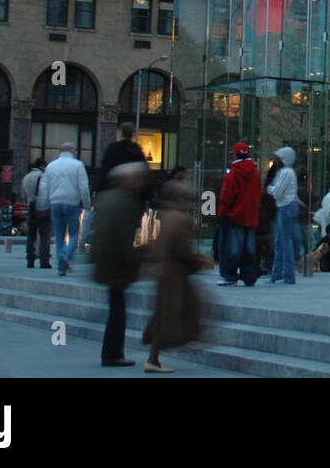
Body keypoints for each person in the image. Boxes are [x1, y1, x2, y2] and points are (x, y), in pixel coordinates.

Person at [143, 179, 212, 373]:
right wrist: (199, 260)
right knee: (179, 310)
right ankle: (172, 346)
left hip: (165, 270)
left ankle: (155, 355)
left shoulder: (164, 215)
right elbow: (182, 248)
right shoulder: (181, 219)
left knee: (166, 311)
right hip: (174, 272)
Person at [93, 162, 149, 367]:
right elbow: (119, 237)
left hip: (109, 263)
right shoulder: (123, 202)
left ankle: (112, 352)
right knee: (117, 311)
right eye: (137, 178)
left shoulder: (107, 198)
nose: (140, 182)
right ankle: (112, 353)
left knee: (116, 309)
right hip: (116, 264)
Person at [37, 143, 91, 276]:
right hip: (72, 203)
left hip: (55, 203)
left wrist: (43, 205)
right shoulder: (78, 165)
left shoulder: (51, 166)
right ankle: (66, 256)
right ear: (72, 150)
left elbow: (44, 187)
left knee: (59, 235)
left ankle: (62, 266)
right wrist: (87, 204)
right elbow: (83, 187)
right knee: (73, 233)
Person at [217, 142, 261, 286]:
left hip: (236, 215)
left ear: (235, 154)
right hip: (251, 215)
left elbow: (227, 196)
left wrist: (222, 213)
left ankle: (230, 275)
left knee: (233, 247)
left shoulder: (234, 173)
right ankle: (249, 275)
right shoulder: (255, 172)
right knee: (249, 248)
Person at [266, 146, 299, 284]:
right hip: (285, 207)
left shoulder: (286, 172)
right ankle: (277, 274)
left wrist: (269, 188)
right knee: (280, 242)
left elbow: (277, 192)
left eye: (278, 158)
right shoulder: (286, 172)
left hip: (285, 207)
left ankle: (287, 275)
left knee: (284, 242)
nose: (275, 161)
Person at [99, 122, 148, 192]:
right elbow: (144, 171)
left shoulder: (114, 147)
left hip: (115, 189)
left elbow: (105, 169)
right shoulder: (137, 150)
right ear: (132, 134)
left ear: (122, 133)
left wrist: (100, 188)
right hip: (133, 192)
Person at [21, 157, 51, 269]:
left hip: (30, 206)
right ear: (43, 166)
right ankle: (44, 261)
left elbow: (23, 195)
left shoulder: (26, 177)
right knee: (44, 235)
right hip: (42, 208)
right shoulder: (43, 176)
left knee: (31, 235)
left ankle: (30, 259)